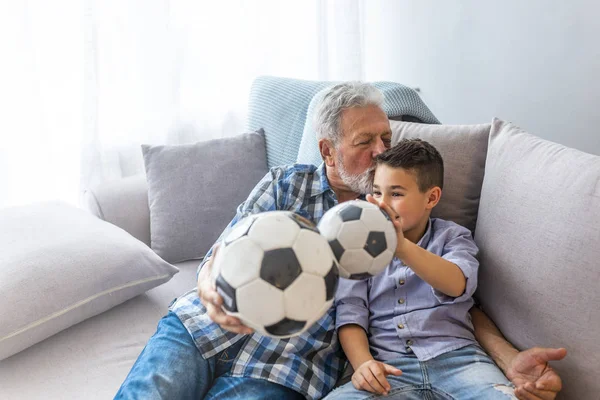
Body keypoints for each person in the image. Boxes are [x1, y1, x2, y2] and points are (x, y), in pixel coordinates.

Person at [115, 82, 565, 400]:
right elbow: (223, 253)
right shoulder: (284, 185)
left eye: (386, 137)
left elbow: (456, 297)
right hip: (203, 327)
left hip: (285, 365)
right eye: (364, 141)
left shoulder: (397, 223)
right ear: (327, 150)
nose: (381, 152)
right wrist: (219, 288)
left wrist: (507, 361)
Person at [325, 139, 562, 399]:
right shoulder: (359, 247)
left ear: (432, 197)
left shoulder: (452, 237)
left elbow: (457, 283)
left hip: (461, 360)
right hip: (390, 367)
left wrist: (402, 247)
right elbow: (350, 312)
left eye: (396, 194)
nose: (383, 204)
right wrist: (363, 364)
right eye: (377, 193)